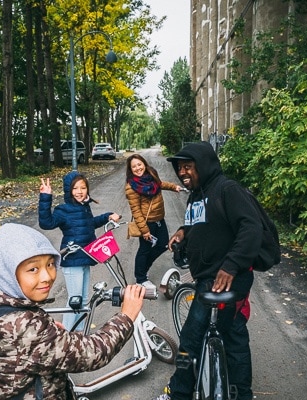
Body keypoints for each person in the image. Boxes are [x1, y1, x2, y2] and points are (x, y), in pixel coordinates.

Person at [0, 223, 145, 399]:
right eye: (33, 269)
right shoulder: (26, 328)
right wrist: (126, 316)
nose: (47, 276)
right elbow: (93, 353)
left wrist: (49, 335)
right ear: (7, 272)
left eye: (50, 264)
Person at [153, 141, 262, 400]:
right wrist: (184, 231)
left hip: (224, 279)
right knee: (234, 335)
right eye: (180, 169)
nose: (182, 173)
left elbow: (251, 227)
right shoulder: (197, 195)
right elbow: (200, 223)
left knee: (191, 339)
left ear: (204, 165)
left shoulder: (227, 189)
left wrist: (231, 265)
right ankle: (241, 394)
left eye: (188, 167)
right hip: (208, 276)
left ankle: (178, 393)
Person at [38, 171, 120, 331]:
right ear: (69, 190)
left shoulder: (84, 207)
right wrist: (45, 197)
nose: (80, 191)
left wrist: (107, 216)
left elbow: (89, 224)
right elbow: (46, 223)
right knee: (74, 299)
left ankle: (80, 333)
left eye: (83, 187)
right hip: (72, 259)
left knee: (83, 300)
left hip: (86, 257)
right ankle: (67, 335)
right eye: (75, 188)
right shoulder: (63, 210)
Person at [124, 154, 183, 289]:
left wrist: (174, 187)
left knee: (163, 244)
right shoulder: (132, 186)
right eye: (134, 166)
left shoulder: (151, 175)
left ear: (144, 163)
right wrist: (144, 230)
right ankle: (140, 278)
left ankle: (144, 268)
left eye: (139, 164)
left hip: (159, 219)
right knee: (144, 250)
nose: (138, 168)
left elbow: (160, 184)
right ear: (130, 169)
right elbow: (136, 211)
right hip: (147, 223)